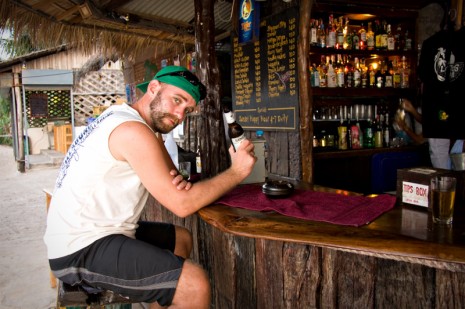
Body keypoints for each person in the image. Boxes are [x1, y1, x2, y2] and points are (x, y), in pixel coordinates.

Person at [44, 65, 257, 308]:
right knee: (194, 284)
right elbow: (182, 203)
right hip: (80, 246)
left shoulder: (130, 120)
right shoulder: (133, 130)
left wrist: (177, 184)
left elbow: (175, 179)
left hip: (96, 232)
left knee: (181, 239)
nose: (179, 115)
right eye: (176, 100)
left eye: (187, 110)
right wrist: (237, 171)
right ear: (154, 88)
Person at [394, 98, 463, 169]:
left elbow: (419, 140)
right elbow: (427, 121)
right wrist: (412, 109)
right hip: (442, 159)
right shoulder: (440, 113)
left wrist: (405, 127)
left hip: (443, 163)